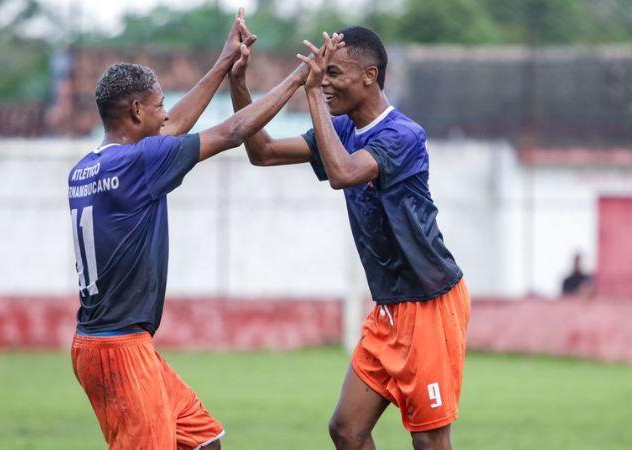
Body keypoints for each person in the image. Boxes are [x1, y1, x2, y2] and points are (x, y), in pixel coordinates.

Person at [67, 10, 318, 449]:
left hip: (112, 343)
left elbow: (173, 129)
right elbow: (232, 131)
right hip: (119, 349)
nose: (166, 114)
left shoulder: (88, 168)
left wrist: (224, 63)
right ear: (136, 110)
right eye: (160, 104)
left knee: (204, 441)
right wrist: (299, 78)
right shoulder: (140, 163)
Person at [230, 26, 470, 450]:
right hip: (390, 308)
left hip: (428, 302)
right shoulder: (341, 130)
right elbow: (262, 153)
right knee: (346, 429)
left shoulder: (402, 134)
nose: (324, 83)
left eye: (334, 73)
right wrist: (238, 83)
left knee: (430, 440)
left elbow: (343, 173)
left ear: (369, 75)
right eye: (322, 74)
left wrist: (310, 93)